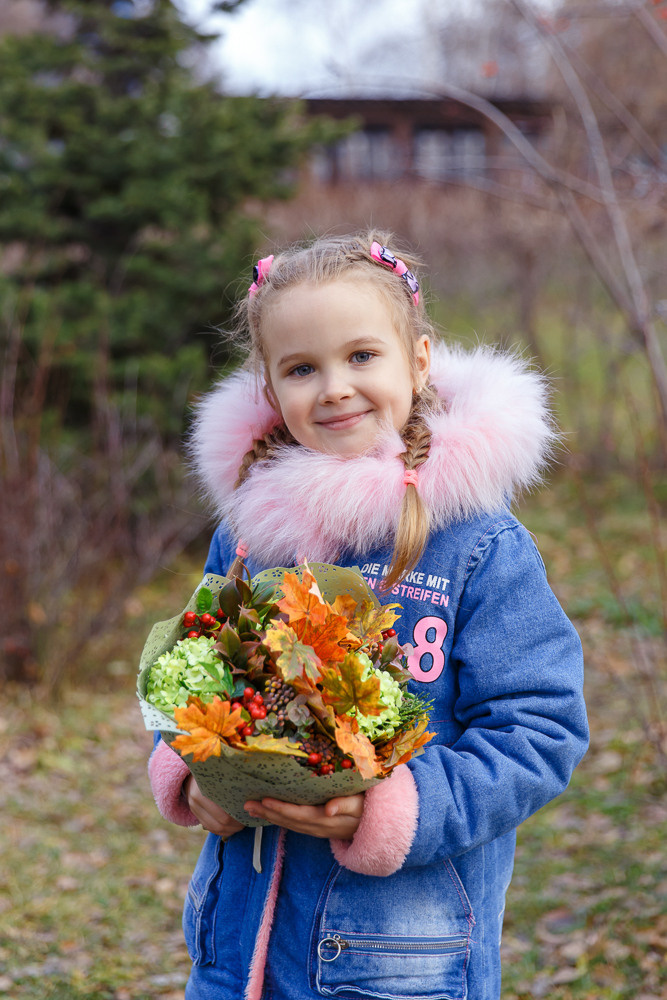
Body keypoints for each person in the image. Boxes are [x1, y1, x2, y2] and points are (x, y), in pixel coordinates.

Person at [148, 231, 588, 1000]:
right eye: (301, 368)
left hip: (395, 961)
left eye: (360, 357)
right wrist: (189, 769)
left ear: (417, 360)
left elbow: (540, 729)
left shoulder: (476, 544)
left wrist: (389, 809)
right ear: (270, 389)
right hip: (237, 948)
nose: (334, 388)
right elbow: (189, 680)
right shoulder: (251, 536)